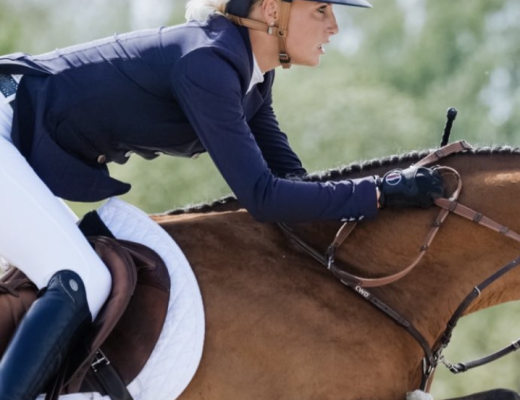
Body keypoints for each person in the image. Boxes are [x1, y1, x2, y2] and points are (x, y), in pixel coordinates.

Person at [0, 0, 444, 398]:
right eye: (321, 11)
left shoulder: (252, 76)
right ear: (273, 11)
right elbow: (263, 198)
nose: (335, 28)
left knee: (55, 280)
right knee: (80, 278)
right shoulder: (207, 63)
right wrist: (380, 191)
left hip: (16, 145)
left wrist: (384, 195)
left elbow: (293, 182)